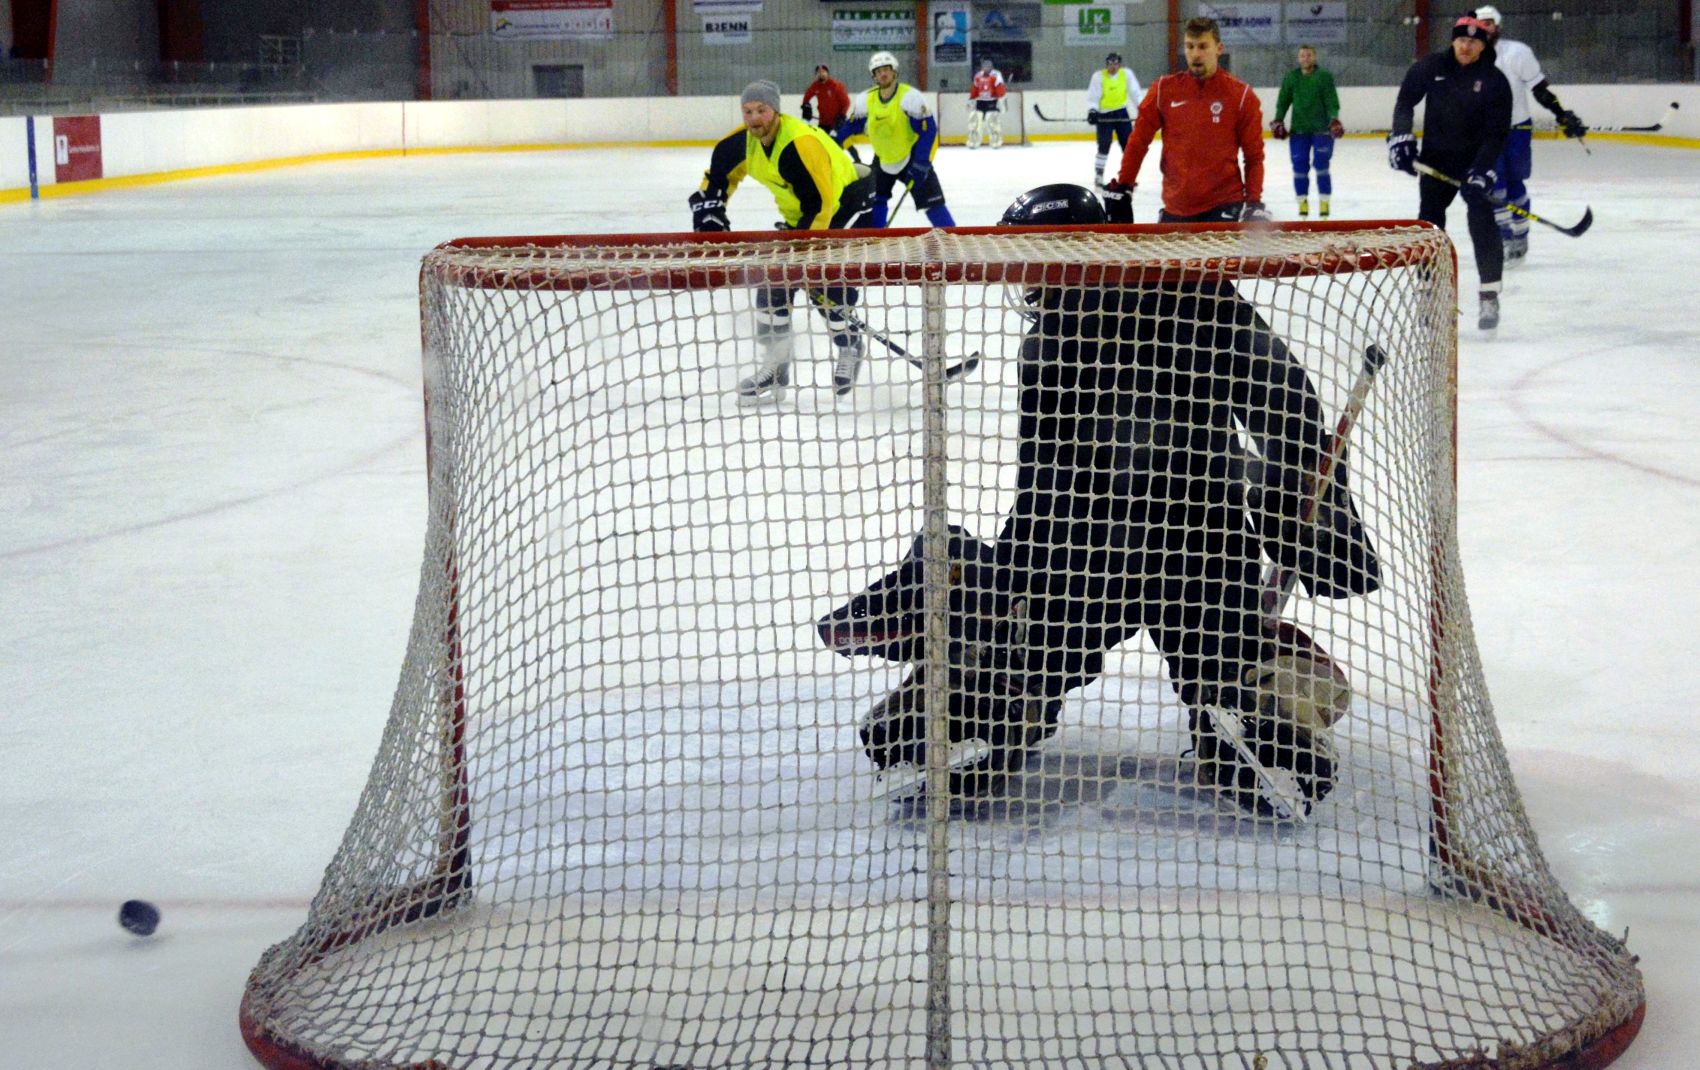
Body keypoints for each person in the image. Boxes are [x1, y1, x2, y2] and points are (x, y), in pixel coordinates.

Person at [816, 183, 1380, 811]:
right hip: (1206, 547)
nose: (1028, 286)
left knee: (1021, 653)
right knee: (1224, 654)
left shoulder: (1051, 341)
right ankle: (1252, 710)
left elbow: (1045, 492)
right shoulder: (1196, 288)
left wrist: (1003, 586)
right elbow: (1287, 402)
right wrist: (1297, 495)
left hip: (1087, 560)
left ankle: (985, 707)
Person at [690, 80, 876, 402]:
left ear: (775, 111)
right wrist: (711, 210)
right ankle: (776, 367)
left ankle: (850, 345)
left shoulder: (798, 145)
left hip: (845, 198)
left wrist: (804, 254)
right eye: (748, 111)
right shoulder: (742, 143)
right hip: (803, 209)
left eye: (761, 110)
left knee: (823, 278)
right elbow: (718, 178)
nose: (754, 118)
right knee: (774, 279)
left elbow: (821, 205)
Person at [1388, 17, 1512, 330]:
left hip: (1474, 165)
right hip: (1436, 161)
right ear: (1453, 41)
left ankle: (1489, 293)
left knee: (1482, 221)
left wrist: (1482, 170)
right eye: (1461, 40)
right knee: (1430, 225)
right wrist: (1401, 136)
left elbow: (1497, 133)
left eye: (1474, 42)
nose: (1466, 46)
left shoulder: (1494, 80)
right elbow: (1405, 102)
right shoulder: (1432, 66)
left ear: (1483, 46)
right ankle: (1430, 294)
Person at [1103, 18, 1267, 224]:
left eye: (1203, 46)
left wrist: (1254, 202)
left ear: (1219, 48)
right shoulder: (1164, 90)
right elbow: (1138, 141)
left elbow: (1254, 157)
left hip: (1224, 206)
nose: (1196, 54)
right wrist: (1124, 184)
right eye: (1190, 46)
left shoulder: (1242, 96)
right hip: (1176, 208)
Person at [1472, 6, 1589, 264]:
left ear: (1498, 26)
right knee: (1496, 185)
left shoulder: (1517, 53)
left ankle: (1520, 235)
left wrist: (1560, 113)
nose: (1485, 27)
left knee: (1515, 184)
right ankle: (1503, 238)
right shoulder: (1467, 54)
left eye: (1489, 23)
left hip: (1517, 130)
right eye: (1480, 23)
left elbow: (1539, 89)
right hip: (1485, 132)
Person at [832, 51, 957, 228]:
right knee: (876, 201)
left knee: (933, 203)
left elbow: (928, 130)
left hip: (912, 158)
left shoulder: (910, 97)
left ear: (894, 72)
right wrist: (833, 143)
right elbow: (852, 126)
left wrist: (922, 162)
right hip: (883, 159)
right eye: (878, 71)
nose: (883, 74)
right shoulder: (865, 100)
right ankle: (877, 239)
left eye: (886, 69)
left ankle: (952, 238)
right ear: (874, 76)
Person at [1271, 45, 1343, 219]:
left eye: (1308, 55)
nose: (1305, 58)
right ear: (1298, 58)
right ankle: (1302, 201)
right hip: (1299, 131)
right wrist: (1279, 119)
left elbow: (1331, 100)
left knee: (1321, 164)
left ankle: (1324, 201)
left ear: (1314, 57)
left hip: (1322, 131)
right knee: (1299, 165)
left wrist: (1333, 118)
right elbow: (1283, 101)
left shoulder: (1324, 77)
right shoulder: (1291, 78)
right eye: (1302, 55)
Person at [1085, 52, 1139, 191]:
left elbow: (1135, 93)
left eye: (1115, 63)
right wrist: (1092, 111)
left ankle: (1128, 177)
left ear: (1119, 64)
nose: (1113, 67)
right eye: (1110, 64)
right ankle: (1098, 177)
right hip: (1105, 115)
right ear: (1107, 64)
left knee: (1128, 146)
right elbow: (1093, 96)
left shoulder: (1126, 74)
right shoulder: (1098, 77)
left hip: (1121, 113)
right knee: (1104, 145)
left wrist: (1142, 109)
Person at [966, 58, 1008, 150]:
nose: (986, 68)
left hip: (992, 102)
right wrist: (971, 99)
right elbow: (975, 88)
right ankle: (974, 141)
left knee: (993, 122)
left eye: (988, 66)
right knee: (975, 122)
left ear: (991, 67)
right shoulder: (978, 75)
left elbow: (1000, 89)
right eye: (984, 66)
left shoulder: (996, 75)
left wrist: (1002, 102)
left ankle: (996, 141)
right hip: (980, 102)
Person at [800, 64, 852, 137]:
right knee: (821, 143)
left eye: (823, 72)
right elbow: (807, 95)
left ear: (827, 73)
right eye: (819, 72)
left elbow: (846, 102)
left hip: (836, 123)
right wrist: (805, 105)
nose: (821, 74)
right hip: (823, 122)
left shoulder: (836, 85)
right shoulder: (816, 85)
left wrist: (842, 115)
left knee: (837, 144)